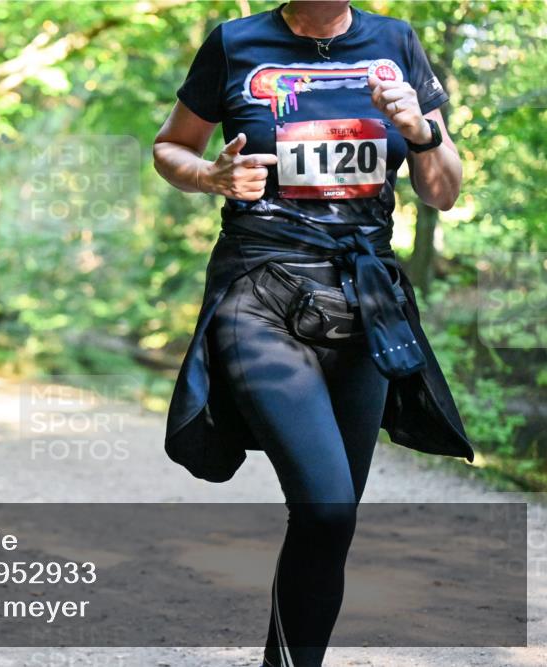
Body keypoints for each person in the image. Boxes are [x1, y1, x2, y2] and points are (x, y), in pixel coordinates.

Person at [153, 2, 472, 666]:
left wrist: (418, 130)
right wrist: (209, 175)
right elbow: (169, 146)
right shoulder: (237, 43)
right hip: (260, 289)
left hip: (364, 300)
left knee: (332, 524)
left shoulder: (396, 43)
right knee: (325, 507)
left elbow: (442, 191)